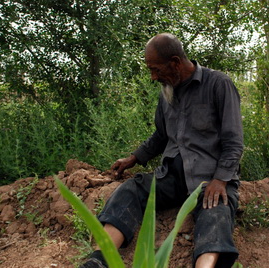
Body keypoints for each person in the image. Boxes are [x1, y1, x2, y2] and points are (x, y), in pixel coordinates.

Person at [80, 33, 244, 268]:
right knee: (130, 190)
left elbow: (234, 140)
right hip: (171, 179)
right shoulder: (167, 91)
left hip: (209, 181)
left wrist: (220, 179)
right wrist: (134, 158)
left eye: (156, 69)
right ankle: (99, 260)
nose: (153, 76)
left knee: (214, 214)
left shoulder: (218, 84)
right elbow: (161, 135)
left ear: (175, 62)